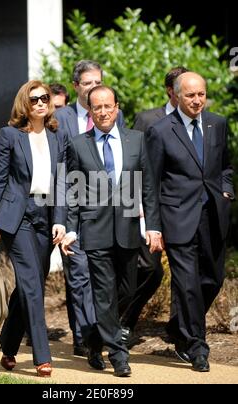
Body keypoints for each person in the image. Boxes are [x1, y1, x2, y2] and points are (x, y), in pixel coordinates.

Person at [61, 85, 163, 377]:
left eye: (108, 106)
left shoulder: (137, 140)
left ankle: (93, 339)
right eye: (97, 108)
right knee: (104, 294)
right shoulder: (79, 144)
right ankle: (119, 355)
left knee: (127, 290)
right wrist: (71, 228)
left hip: (129, 229)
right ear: (90, 112)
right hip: (95, 230)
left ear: (117, 107)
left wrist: (154, 226)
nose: (103, 112)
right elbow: (71, 190)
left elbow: (148, 188)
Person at [146, 72, 234, 372]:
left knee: (213, 279)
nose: (197, 101)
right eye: (190, 96)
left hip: (212, 215)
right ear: (176, 96)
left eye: (201, 94)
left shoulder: (218, 124)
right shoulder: (160, 131)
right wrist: (154, 226)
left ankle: (177, 327)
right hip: (178, 218)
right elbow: (151, 183)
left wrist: (227, 190)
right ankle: (197, 347)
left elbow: (226, 166)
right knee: (187, 285)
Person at [0, 80, 66, 377]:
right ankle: (42, 357)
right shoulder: (9, 135)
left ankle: (7, 345)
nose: (41, 103)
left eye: (45, 98)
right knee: (32, 285)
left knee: (30, 285)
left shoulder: (58, 137)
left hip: (46, 216)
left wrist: (60, 219)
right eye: (34, 100)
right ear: (25, 104)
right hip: (17, 217)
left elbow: (61, 184)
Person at [55, 60, 125, 357]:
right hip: (71, 207)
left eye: (98, 81)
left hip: (106, 212)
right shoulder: (61, 118)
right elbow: (58, 169)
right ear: (76, 87)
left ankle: (96, 332)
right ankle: (84, 335)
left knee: (107, 276)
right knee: (79, 273)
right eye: (88, 83)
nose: (94, 87)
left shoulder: (112, 115)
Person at [120, 66, 189, 346]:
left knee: (187, 274)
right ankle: (124, 320)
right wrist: (131, 207)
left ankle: (180, 330)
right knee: (151, 270)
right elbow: (132, 161)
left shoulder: (201, 120)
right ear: (171, 91)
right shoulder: (148, 119)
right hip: (149, 209)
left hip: (184, 210)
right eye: (182, 89)